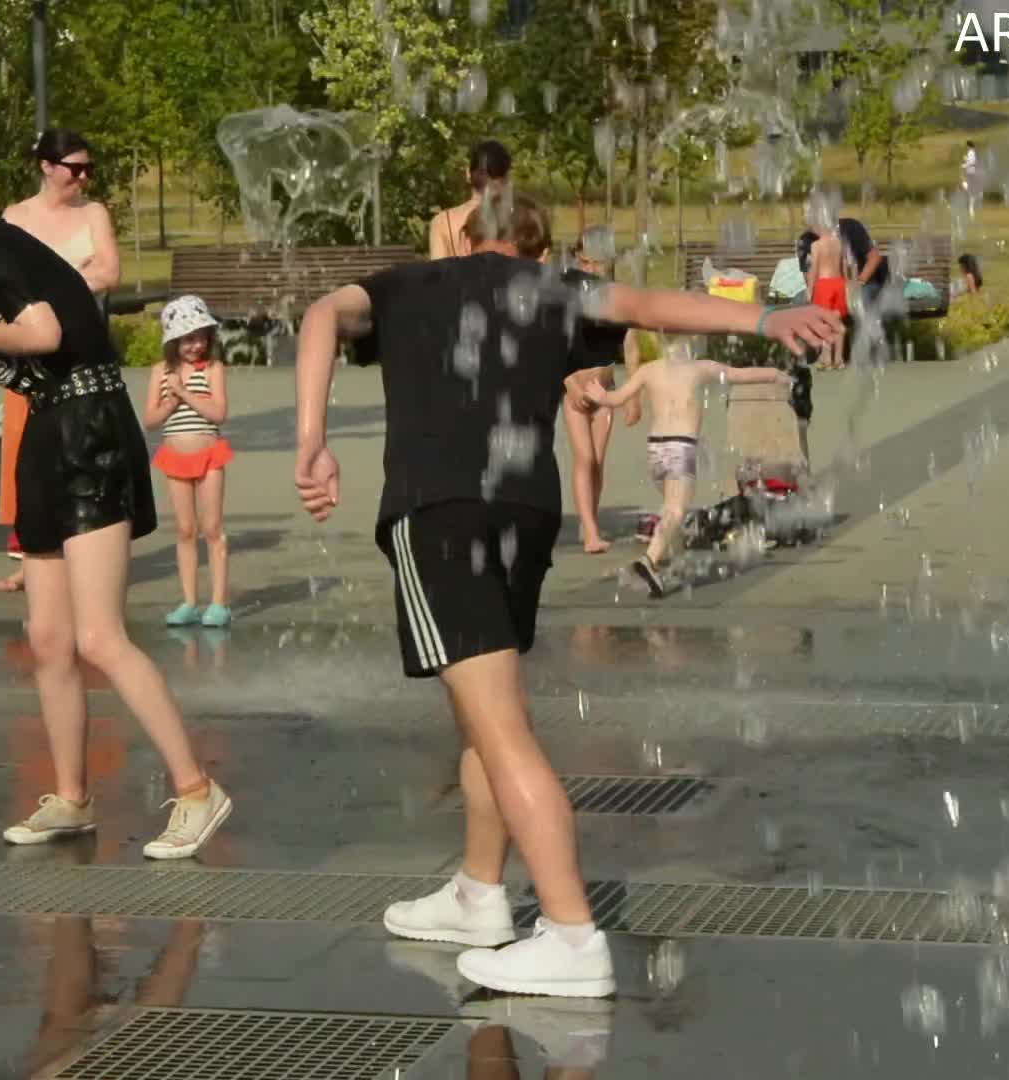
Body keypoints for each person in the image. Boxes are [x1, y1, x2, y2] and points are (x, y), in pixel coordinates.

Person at [292, 189, 840, 997]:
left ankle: (572, 934)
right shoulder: (556, 288)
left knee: (501, 728)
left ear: (464, 238)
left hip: (440, 511)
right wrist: (767, 318)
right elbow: (650, 304)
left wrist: (311, 441)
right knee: (483, 713)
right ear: (539, 247)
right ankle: (479, 895)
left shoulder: (410, 284)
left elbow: (317, 318)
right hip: (524, 513)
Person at [0, 198, 232, 860]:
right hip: (45, 431)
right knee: (48, 637)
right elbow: (26, 368)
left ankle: (197, 789)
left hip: (92, 430)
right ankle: (71, 796)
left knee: (99, 636)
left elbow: (44, 335)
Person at [0, 128, 124, 594]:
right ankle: (32, 555)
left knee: (80, 455)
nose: (83, 178)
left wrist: (51, 291)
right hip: (30, 354)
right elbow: (5, 284)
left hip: (82, 355)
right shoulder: (15, 218)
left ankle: (81, 550)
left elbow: (109, 271)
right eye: (75, 169)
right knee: (27, 457)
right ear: (46, 167)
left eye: (89, 169)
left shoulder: (94, 213)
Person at [584, 341, 793, 598]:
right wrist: (775, 374)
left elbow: (616, 397)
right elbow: (739, 374)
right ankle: (648, 561)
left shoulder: (649, 370)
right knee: (675, 510)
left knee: (670, 510)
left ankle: (672, 558)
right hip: (680, 447)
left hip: (655, 449)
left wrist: (601, 397)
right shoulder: (698, 368)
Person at [143, 295, 234, 627]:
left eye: (201, 337)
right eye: (188, 339)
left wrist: (184, 394)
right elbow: (150, 420)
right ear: (173, 341)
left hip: (209, 456)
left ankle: (219, 602)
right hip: (175, 458)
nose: (196, 345)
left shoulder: (212, 369)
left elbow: (218, 413)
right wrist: (170, 402)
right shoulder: (161, 371)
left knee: (212, 528)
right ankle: (189, 601)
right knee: (185, 530)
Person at [561, 232, 640, 553]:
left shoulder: (616, 300)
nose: (591, 270)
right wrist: (568, 382)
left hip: (604, 392)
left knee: (598, 460)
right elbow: (556, 343)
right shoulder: (568, 297)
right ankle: (591, 532)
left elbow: (631, 349)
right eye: (584, 262)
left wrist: (632, 397)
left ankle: (589, 517)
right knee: (584, 458)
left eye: (598, 263)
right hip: (575, 391)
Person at [428, 140, 512, 260]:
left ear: (468, 173)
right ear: (506, 179)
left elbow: (437, 268)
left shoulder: (442, 222)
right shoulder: (517, 219)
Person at [805, 212, 849, 370]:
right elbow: (844, 266)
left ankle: (826, 359)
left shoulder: (816, 245)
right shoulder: (839, 243)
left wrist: (810, 289)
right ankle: (839, 359)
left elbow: (814, 269)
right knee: (837, 323)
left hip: (824, 284)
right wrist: (846, 285)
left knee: (824, 323)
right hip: (839, 283)